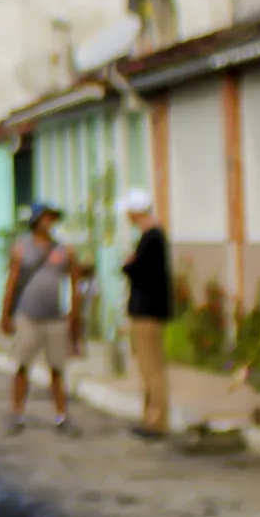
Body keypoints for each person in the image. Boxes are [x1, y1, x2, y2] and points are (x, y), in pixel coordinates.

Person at [1, 202, 83, 434]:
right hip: (28, 316)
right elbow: (12, 282)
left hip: (55, 318)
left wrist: (74, 312)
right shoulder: (21, 248)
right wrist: (5, 314)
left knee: (57, 368)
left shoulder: (64, 250)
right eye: (44, 219)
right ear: (35, 222)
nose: (48, 223)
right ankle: (17, 414)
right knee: (22, 366)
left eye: (51, 219)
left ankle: (61, 415)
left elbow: (76, 281)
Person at [118, 188, 171, 440]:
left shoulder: (152, 238)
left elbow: (142, 273)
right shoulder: (151, 237)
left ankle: (157, 420)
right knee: (147, 367)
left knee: (152, 368)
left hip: (147, 312)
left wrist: (129, 264)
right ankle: (150, 418)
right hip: (145, 310)